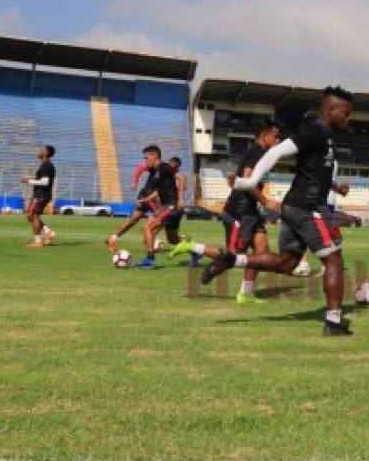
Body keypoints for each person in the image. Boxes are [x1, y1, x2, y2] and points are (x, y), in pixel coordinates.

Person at [198, 87, 355, 336]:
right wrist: (248, 183)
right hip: (309, 207)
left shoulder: (325, 135)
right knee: (334, 260)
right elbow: (276, 151)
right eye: (345, 113)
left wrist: (336, 186)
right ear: (331, 110)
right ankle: (334, 323)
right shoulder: (313, 129)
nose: (348, 118)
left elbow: (313, 170)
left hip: (295, 206)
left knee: (287, 263)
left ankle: (232, 260)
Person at [172, 124, 282, 303]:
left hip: (250, 209)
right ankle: (192, 247)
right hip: (240, 210)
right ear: (264, 135)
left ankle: (245, 294)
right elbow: (247, 181)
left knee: (262, 250)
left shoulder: (262, 154)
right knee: (232, 255)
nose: (278, 140)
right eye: (275, 136)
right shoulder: (256, 153)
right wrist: (266, 201)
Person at [136, 148, 183, 268]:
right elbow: (158, 190)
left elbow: (181, 177)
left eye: (146, 158)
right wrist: (146, 199)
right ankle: (196, 250)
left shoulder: (164, 167)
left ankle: (150, 259)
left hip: (172, 205)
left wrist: (181, 199)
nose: (145, 160)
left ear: (154, 156)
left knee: (147, 227)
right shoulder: (154, 172)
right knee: (173, 240)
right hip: (168, 206)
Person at [107, 161, 157, 253]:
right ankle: (149, 242)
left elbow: (140, 169)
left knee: (134, 219)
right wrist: (135, 182)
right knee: (159, 219)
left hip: (148, 195)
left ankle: (112, 238)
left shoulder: (164, 169)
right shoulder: (158, 167)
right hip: (149, 196)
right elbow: (140, 169)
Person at [21, 145, 56, 248]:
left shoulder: (46, 166)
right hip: (39, 194)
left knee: (34, 216)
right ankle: (48, 231)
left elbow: (45, 182)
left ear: (46, 153)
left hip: (41, 195)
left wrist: (28, 181)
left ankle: (37, 242)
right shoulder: (44, 165)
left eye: (41, 150)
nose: (39, 151)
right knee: (30, 215)